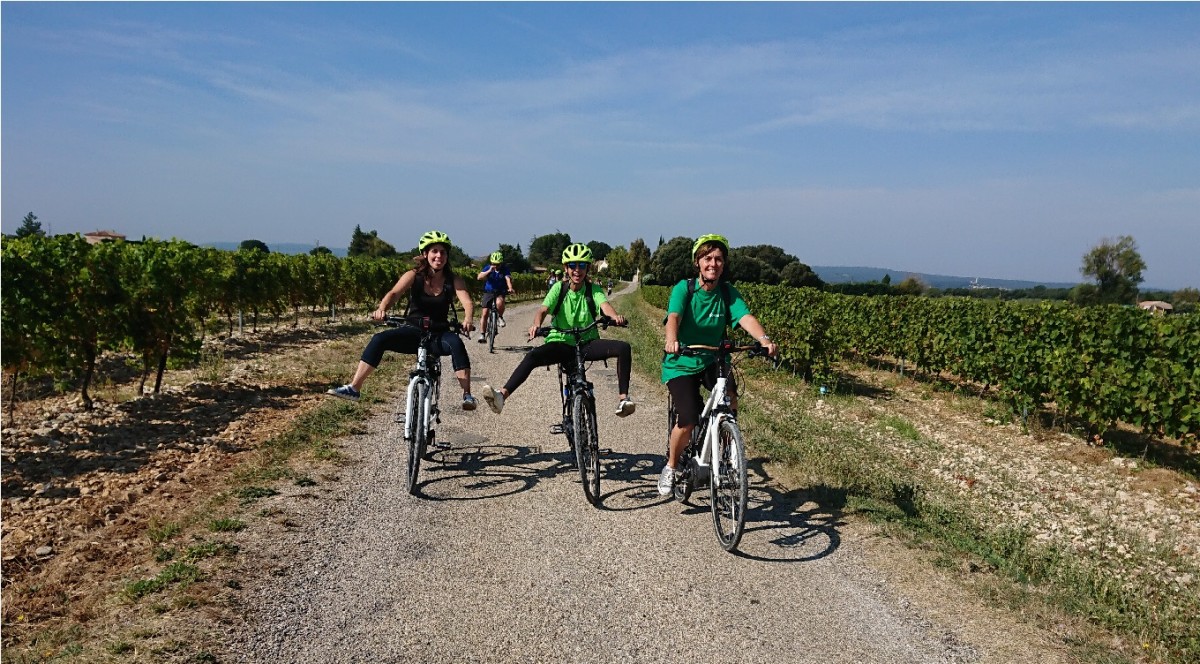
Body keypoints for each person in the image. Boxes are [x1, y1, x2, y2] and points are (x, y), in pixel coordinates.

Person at [659, 234, 778, 496]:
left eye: (719, 259)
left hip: (714, 359)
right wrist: (672, 340)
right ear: (697, 262)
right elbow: (674, 316)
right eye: (707, 258)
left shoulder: (726, 292)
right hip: (682, 361)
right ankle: (671, 466)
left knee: (730, 396)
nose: (713, 263)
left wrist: (764, 340)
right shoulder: (684, 289)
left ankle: (727, 443)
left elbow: (745, 317)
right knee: (688, 418)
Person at [326, 230, 479, 409]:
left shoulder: (453, 280)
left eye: (443, 252)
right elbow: (394, 293)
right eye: (434, 251)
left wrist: (468, 319)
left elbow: (467, 302)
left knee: (456, 343)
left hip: (439, 334)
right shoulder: (413, 275)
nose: (439, 256)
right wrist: (382, 309)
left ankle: (467, 395)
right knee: (379, 339)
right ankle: (354, 387)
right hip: (413, 331)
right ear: (425, 254)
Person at [482, 243, 636, 418]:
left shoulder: (593, 289)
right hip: (561, 341)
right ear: (566, 268)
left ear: (588, 268)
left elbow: (604, 305)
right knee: (532, 356)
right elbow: (543, 310)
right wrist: (536, 324)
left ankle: (623, 399)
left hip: (587, 342)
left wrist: (615, 317)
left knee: (623, 348)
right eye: (572, 265)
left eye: (582, 265)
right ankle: (502, 396)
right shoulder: (559, 288)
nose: (577, 270)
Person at [477, 251, 515, 342]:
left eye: (497, 264)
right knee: (485, 313)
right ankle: (482, 334)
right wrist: (489, 271)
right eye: (493, 264)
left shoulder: (505, 269)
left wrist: (510, 288)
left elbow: (508, 279)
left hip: (500, 291)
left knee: (500, 302)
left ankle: (500, 317)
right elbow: (479, 277)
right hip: (489, 292)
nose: (495, 266)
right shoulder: (488, 268)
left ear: (501, 263)